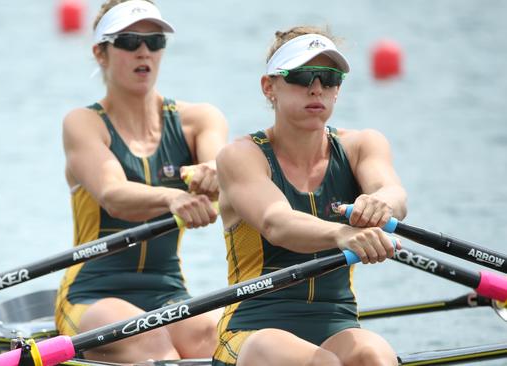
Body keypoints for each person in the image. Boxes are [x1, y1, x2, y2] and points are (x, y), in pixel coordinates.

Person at [212, 26, 407, 366]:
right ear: (269, 86)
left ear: (337, 90)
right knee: (323, 364)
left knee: (377, 356)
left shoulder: (362, 145)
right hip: (254, 332)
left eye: (329, 78)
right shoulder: (240, 156)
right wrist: (342, 233)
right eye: (302, 76)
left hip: (338, 325)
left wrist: (380, 204)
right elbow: (278, 223)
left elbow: (394, 194)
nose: (316, 87)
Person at [54, 0, 228, 363]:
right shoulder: (83, 124)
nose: (144, 51)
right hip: (92, 293)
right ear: (101, 53)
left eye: (155, 41)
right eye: (130, 41)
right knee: (151, 343)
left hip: (167, 291)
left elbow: (219, 166)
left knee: (217, 337)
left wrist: (214, 173)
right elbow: (113, 195)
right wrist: (171, 198)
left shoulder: (200, 120)